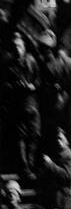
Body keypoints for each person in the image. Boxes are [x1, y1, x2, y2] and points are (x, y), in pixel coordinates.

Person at [1, 31, 42, 179]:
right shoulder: (9, 65)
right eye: (14, 46)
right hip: (18, 106)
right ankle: (25, 168)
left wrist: (34, 86)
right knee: (21, 137)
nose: (17, 49)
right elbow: (4, 85)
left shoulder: (31, 61)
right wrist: (15, 86)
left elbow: (39, 79)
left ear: (24, 46)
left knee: (35, 135)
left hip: (32, 104)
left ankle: (31, 164)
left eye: (19, 45)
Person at [38, 128, 71, 209]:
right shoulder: (56, 155)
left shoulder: (70, 157)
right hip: (54, 195)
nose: (58, 141)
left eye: (61, 138)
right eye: (56, 139)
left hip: (64, 197)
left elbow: (67, 176)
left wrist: (50, 164)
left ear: (67, 141)